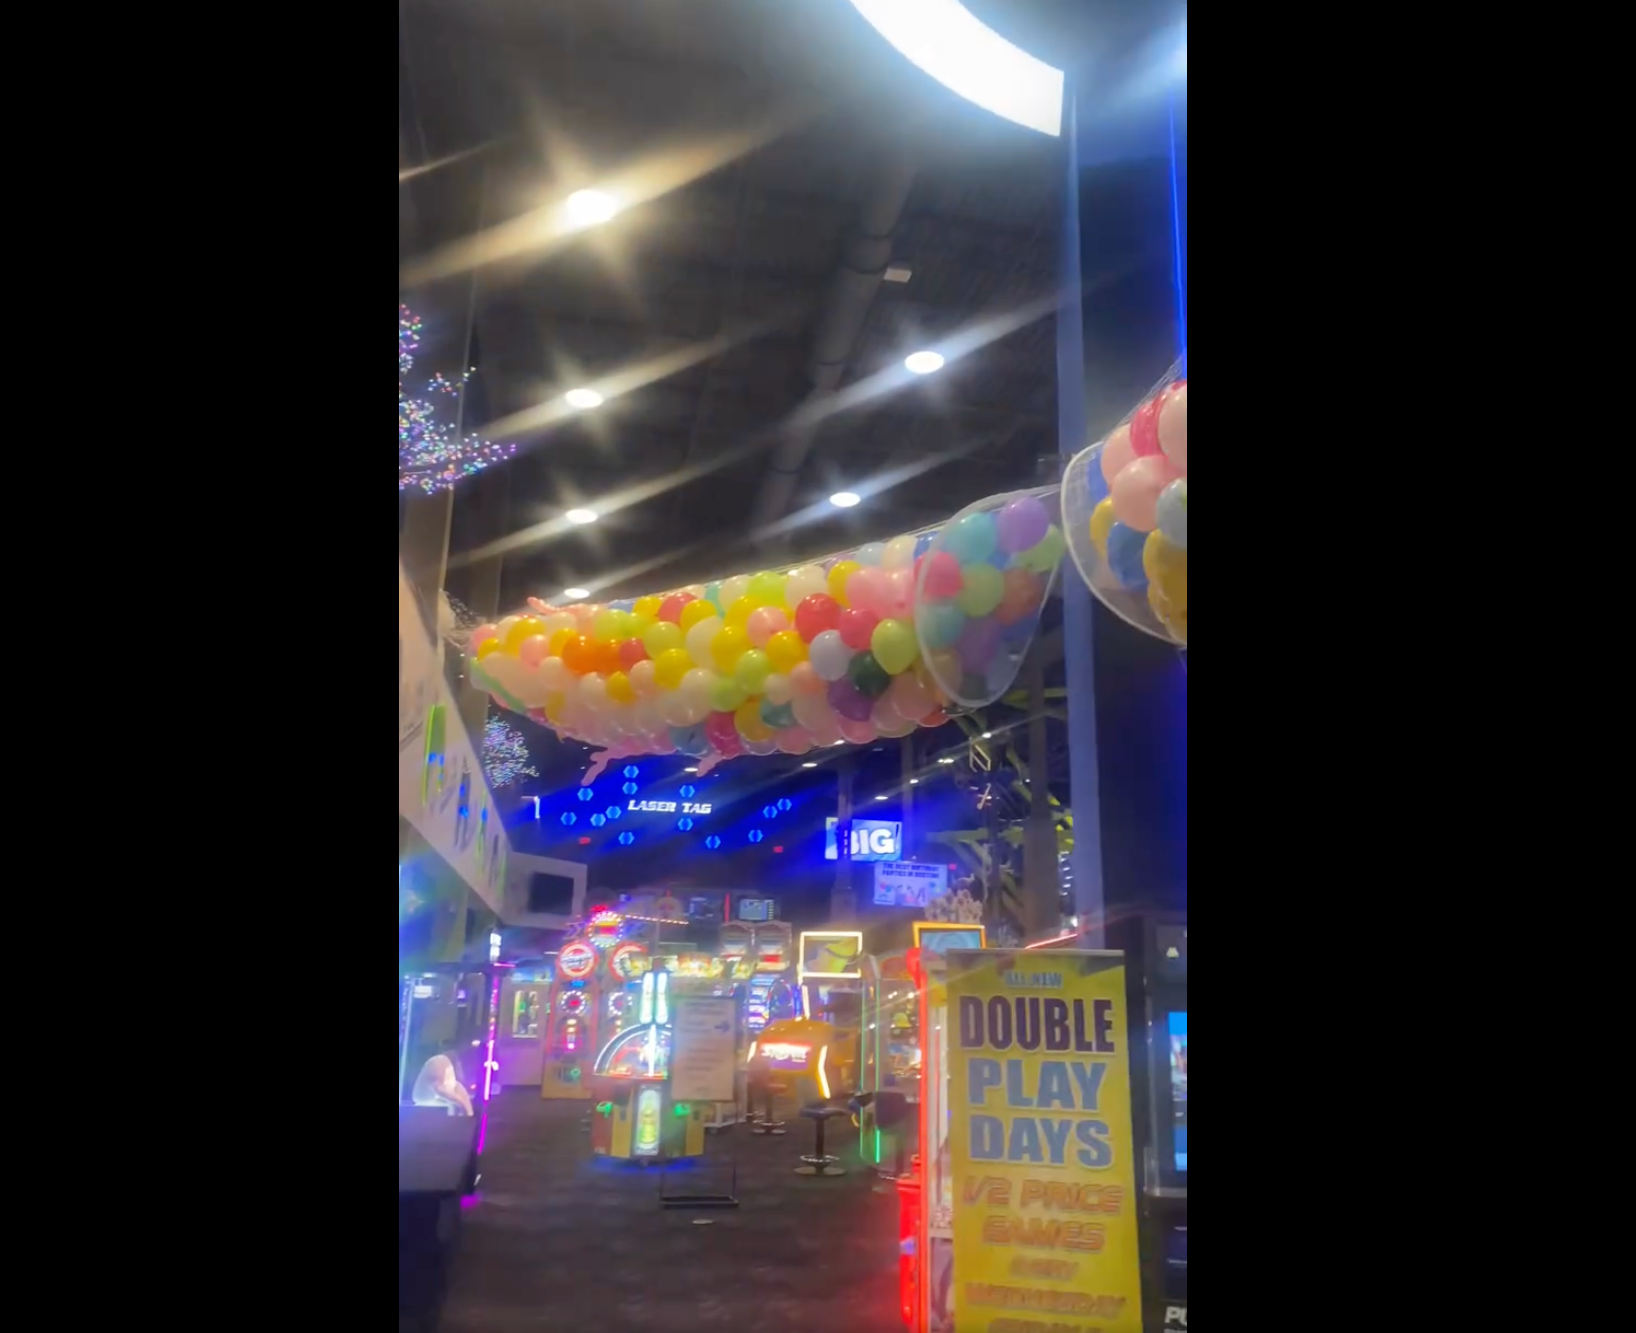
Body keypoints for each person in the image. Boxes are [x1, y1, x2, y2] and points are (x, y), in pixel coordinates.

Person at [412, 1043, 475, 1116]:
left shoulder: (455, 1083)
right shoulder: (440, 1062)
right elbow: (438, 1088)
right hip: (425, 1112)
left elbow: (468, 1111)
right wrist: (460, 1104)